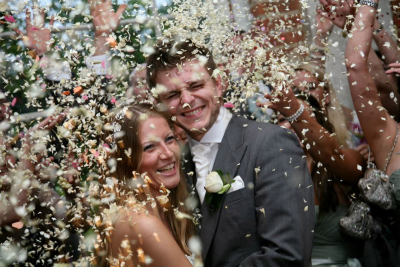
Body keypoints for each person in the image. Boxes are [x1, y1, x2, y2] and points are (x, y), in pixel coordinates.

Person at [146, 40, 315, 267]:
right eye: (172, 95)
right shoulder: (173, 163)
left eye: (195, 86)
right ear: (160, 104)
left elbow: (287, 255)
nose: (186, 100)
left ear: (218, 84)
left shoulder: (270, 143)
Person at [266, 86, 366, 266]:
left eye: (299, 116)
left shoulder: (347, 160)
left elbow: (331, 155)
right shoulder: (266, 174)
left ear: (318, 124)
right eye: (283, 118)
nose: (291, 123)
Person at [95, 104, 195, 267]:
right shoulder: (142, 223)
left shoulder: (164, 211)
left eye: (169, 139)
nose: (168, 153)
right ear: (126, 161)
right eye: (149, 147)